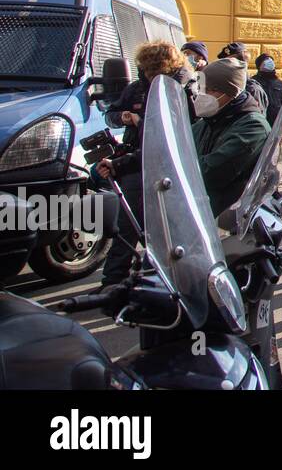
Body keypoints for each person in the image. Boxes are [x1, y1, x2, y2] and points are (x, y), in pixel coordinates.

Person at [97, 40, 193, 288]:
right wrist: (124, 117)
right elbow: (111, 114)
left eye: (155, 70)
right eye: (147, 70)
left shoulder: (180, 90)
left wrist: (141, 124)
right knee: (126, 225)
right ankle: (113, 280)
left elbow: (170, 138)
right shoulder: (135, 88)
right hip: (134, 164)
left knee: (162, 230)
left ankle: (157, 280)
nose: (151, 76)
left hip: (164, 167)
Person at [191, 57, 271, 214]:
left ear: (232, 92)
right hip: (195, 215)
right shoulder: (206, 123)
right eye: (201, 89)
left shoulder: (253, 127)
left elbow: (210, 173)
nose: (202, 95)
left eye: (210, 90)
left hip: (225, 221)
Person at [217, 42, 269, 114]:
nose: (224, 66)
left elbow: (256, 121)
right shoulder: (222, 87)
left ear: (241, 65)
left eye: (229, 62)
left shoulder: (253, 90)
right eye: (223, 62)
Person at [253, 52, 282, 121]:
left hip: (276, 123)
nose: (269, 61)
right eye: (266, 60)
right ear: (259, 65)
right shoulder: (254, 82)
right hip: (260, 120)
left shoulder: (279, 83)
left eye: (271, 60)